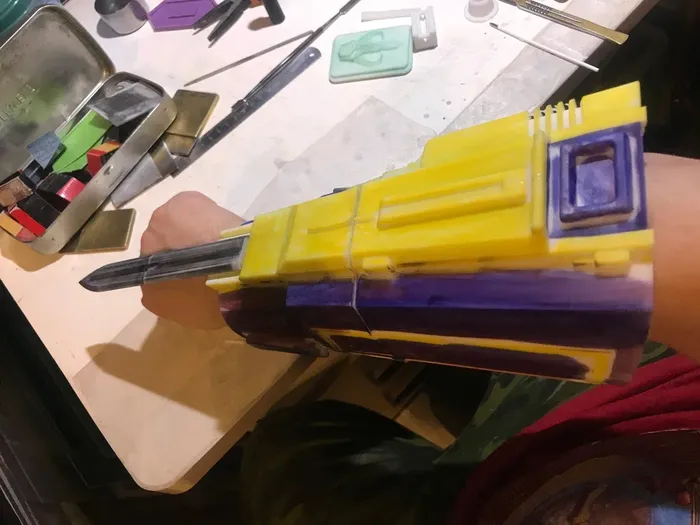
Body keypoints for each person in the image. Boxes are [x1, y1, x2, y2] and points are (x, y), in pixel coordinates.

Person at [141, 153, 700, 525]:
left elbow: (633, 218)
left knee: (290, 450)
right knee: (459, 367)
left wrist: (239, 277)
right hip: (661, 396)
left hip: (542, 490)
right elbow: (632, 217)